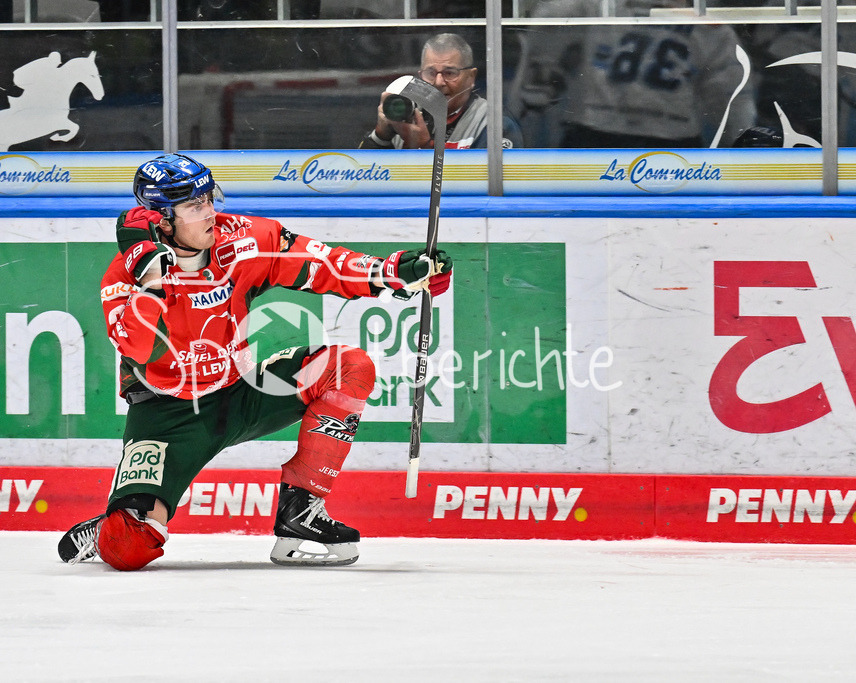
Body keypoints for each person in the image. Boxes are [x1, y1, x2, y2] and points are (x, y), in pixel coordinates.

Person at [57, 152, 453, 571]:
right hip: (167, 413)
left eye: (210, 198)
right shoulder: (122, 276)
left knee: (348, 366)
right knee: (129, 548)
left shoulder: (242, 239)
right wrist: (153, 282)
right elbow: (140, 349)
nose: (210, 213)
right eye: (194, 205)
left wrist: (391, 273)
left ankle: (301, 514)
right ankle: (106, 527)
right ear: (162, 220)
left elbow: (321, 263)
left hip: (241, 389)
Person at [519, 0, 756, 148]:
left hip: (600, 133)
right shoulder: (711, 28)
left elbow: (732, 100)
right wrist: (741, 147)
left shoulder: (711, 28)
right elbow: (732, 102)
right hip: (655, 138)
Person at [359, 32, 521, 149]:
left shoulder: (494, 124)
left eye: (449, 73)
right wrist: (381, 136)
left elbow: (484, 188)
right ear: (420, 76)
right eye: (430, 73)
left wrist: (423, 147)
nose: (438, 82)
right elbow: (363, 181)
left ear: (471, 77)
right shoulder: (406, 112)